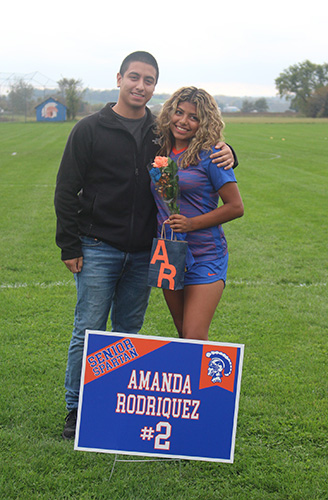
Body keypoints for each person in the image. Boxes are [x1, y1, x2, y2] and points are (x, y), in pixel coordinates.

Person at [54, 51, 236, 440]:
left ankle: (116, 402)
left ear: (155, 88)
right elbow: (67, 188)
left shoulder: (158, 132)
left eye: (148, 80)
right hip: (98, 246)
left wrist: (231, 152)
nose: (139, 85)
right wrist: (69, 244)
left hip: (147, 252)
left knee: (129, 333)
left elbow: (204, 149)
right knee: (88, 329)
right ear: (119, 78)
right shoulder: (90, 128)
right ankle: (76, 409)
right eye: (133, 77)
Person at [151, 87, 244, 341]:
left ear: (204, 122)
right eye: (178, 112)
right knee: (182, 331)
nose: (183, 121)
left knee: (194, 335)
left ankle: (203, 381)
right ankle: (189, 382)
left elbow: (236, 207)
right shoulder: (160, 151)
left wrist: (191, 224)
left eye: (193, 117)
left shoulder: (212, 155)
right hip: (168, 253)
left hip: (205, 255)